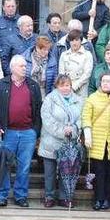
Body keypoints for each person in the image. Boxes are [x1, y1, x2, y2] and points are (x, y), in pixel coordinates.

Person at [0, 55, 43, 207]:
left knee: (24, 166)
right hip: (8, 132)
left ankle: (20, 196)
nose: (25, 68)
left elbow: (39, 110)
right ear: (12, 68)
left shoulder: (33, 85)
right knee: (4, 165)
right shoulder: (1, 85)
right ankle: (2, 195)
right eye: (21, 66)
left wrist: (35, 131)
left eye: (25, 66)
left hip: (27, 133)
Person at [38, 74, 83, 208]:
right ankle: (49, 196)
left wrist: (74, 129)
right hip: (51, 141)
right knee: (50, 173)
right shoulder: (50, 99)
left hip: (70, 142)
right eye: (62, 85)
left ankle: (65, 197)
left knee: (67, 171)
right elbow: (47, 119)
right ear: (57, 86)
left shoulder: (79, 100)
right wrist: (62, 130)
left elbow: (81, 118)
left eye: (67, 85)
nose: (65, 88)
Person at [83, 72, 110, 210]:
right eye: (103, 81)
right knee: (98, 172)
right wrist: (87, 134)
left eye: (108, 81)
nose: (105, 83)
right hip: (96, 141)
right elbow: (86, 117)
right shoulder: (92, 98)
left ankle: (107, 199)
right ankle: (98, 199)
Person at [58, 30, 93, 99]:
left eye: (77, 40)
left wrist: (74, 87)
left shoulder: (87, 54)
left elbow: (87, 74)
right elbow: (61, 73)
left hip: (81, 90)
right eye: (72, 40)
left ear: (81, 41)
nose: (74, 43)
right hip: (66, 89)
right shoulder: (64, 55)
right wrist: (66, 87)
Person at [0, 0, 20, 72]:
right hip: (0, 59)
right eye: (8, 6)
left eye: (13, 6)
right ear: (3, 7)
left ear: (16, 7)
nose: (11, 8)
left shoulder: (22, 21)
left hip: (18, 58)